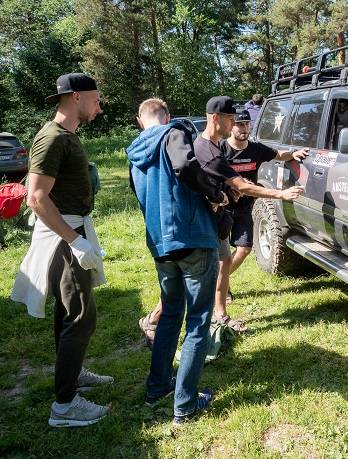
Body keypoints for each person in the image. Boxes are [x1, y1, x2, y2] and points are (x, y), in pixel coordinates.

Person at [138, 96, 304, 342]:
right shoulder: (207, 150)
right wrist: (280, 193)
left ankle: (220, 314)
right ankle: (153, 319)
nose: (236, 125)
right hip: (202, 223)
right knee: (193, 280)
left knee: (224, 262)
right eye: (231, 119)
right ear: (216, 119)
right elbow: (240, 185)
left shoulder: (213, 146)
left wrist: (223, 193)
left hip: (216, 218)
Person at [11, 73, 112, 427]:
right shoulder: (52, 138)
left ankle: (74, 373)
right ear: (75, 97)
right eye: (96, 99)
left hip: (73, 230)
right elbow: (36, 198)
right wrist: (74, 240)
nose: (99, 107)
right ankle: (65, 406)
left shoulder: (68, 135)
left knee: (68, 313)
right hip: (63, 237)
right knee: (81, 315)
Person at [126, 98, 226, 425]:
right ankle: (185, 404)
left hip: (160, 244)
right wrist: (216, 194)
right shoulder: (173, 134)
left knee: (170, 312)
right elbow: (185, 167)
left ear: (142, 122)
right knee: (198, 318)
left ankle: (158, 387)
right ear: (166, 116)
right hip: (191, 236)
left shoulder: (134, 152)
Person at [221, 109, 309, 306]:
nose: (244, 128)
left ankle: (220, 280)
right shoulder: (220, 150)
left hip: (245, 207)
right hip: (222, 208)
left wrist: (293, 154)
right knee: (222, 254)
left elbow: (278, 155)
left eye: (247, 124)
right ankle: (222, 288)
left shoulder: (256, 149)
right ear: (231, 126)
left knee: (244, 249)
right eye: (240, 125)